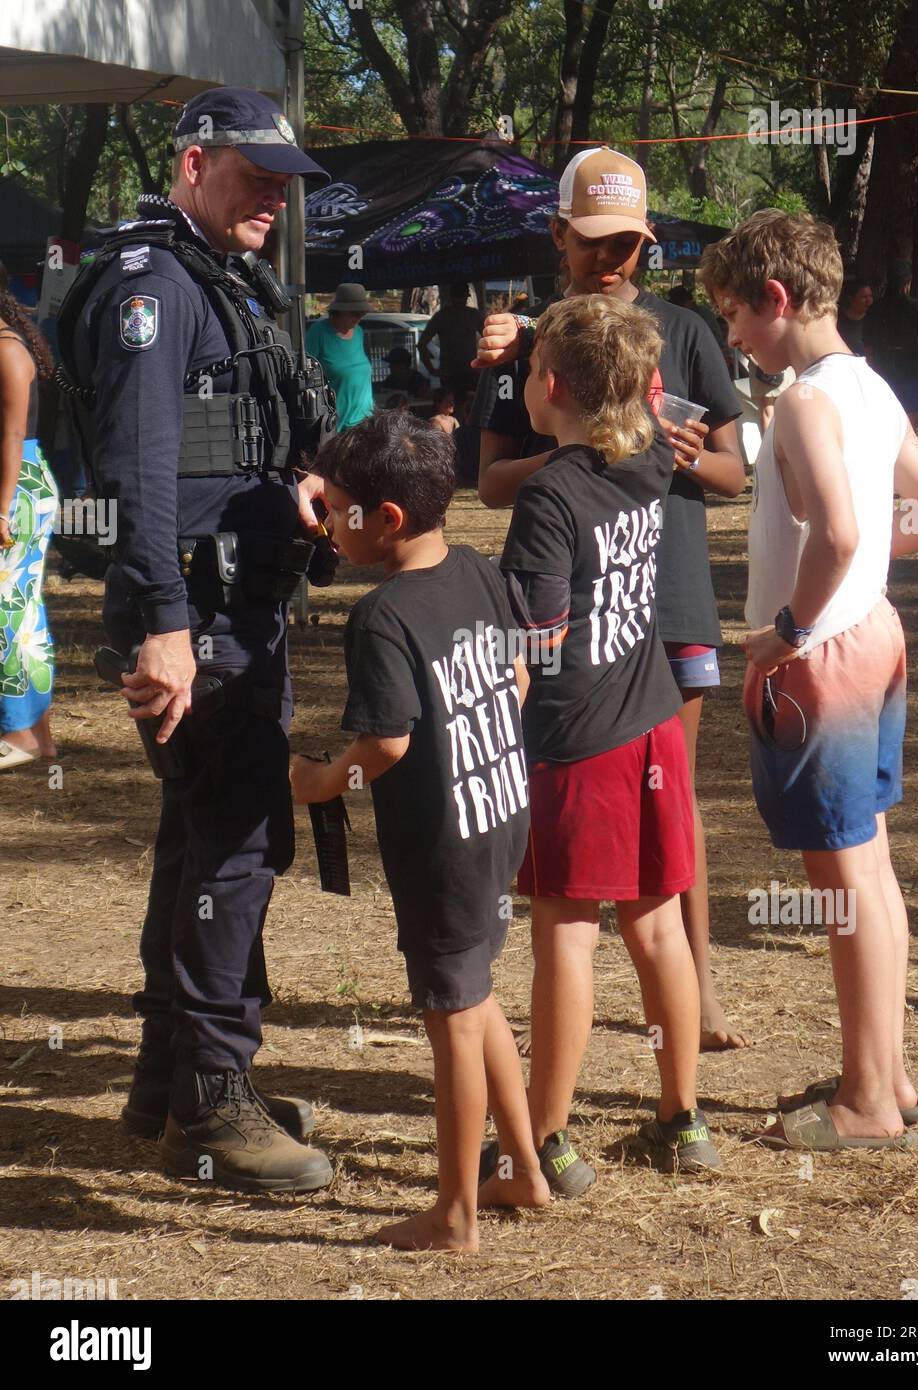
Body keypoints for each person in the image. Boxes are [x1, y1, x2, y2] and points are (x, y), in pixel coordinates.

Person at [58, 87, 338, 1192]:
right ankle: (213, 1103)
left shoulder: (215, 277)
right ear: (190, 166)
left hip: (236, 606)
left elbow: (230, 437)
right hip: (197, 614)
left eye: (282, 179)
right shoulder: (154, 287)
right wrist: (167, 627)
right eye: (252, 172)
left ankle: (172, 1075)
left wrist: (300, 479)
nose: (273, 193)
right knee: (236, 841)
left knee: (198, 838)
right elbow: (138, 469)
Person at [471, 146, 749, 1052]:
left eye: (628, 242)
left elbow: (732, 477)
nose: (613, 260)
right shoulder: (530, 348)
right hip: (575, 616)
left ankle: (692, 997)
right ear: (557, 235)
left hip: (668, 599)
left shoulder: (688, 330)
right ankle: (594, 988)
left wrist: (679, 456)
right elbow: (488, 484)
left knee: (672, 801)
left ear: (649, 239)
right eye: (593, 241)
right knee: (575, 822)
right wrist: (576, 454)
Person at [700, 209, 918, 1150]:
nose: (729, 336)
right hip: (872, 638)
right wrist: (852, 592)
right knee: (870, 866)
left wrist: (786, 630)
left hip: (822, 660)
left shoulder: (804, 400)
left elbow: (842, 533)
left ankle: (865, 1101)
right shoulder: (870, 387)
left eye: (734, 314)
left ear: (775, 299)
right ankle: (884, 1071)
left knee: (842, 880)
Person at [291, 411, 549, 1250]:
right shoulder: (476, 567)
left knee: (451, 1028)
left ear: (386, 521)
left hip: (442, 849)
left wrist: (323, 780)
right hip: (500, 816)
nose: (329, 522)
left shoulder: (382, 619)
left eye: (337, 510)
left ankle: (454, 1214)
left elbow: (388, 744)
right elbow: (514, 675)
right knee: (477, 996)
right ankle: (524, 1169)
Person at [498, 295, 722, 1190]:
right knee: (658, 927)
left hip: (575, 739)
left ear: (549, 386)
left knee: (564, 936)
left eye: (527, 368)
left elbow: (539, 640)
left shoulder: (550, 491)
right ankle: (682, 1118)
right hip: (653, 723)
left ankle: (546, 1139)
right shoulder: (650, 464)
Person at [0, 261, 59, 771]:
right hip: (17, 485)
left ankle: (19, 734)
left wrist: (1, 509)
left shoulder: (8, 353)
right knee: (21, 606)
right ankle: (40, 736)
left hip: (17, 488)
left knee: (10, 609)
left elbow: (12, 438)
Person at [864, 260, 918, 434]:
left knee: (887, 426)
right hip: (915, 374)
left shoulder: (875, 310)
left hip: (884, 374)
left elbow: (868, 350)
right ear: (907, 283)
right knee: (914, 427)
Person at [306, 284, 374, 429]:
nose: (359, 317)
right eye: (354, 313)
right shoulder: (318, 333)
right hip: (337, 425)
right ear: (339, 311)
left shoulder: (359, 332)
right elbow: (305, 376)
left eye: (361, 312)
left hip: (365, 422)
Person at [418, 282, 483, 397]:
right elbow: (421, 344)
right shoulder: (441, 317)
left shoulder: (473, 315)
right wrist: (432, 370)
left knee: (472, 406)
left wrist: (484, 364)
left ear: (466, 298)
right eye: (457, 297)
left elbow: (489, 338)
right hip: (449, 374)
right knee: (452, 406)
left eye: (462, 297)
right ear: (451, 297)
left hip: (471, 372)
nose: (460, 300)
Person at [747, 355, 796, 435]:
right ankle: (773, 445)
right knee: (770, 412)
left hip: (771, 362)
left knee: (769, 412)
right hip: (770, 363)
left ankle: (772, 446)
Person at [836, 276, 873, 355]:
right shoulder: (836, 319)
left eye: (870, 296)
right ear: (851, 299)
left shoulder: (872, 321)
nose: (869, 301)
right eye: (864, 297)